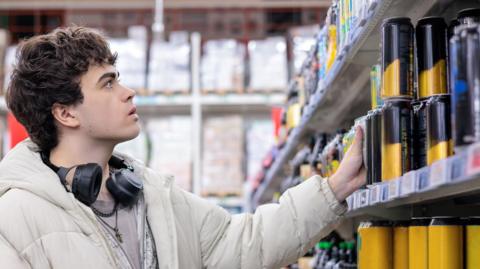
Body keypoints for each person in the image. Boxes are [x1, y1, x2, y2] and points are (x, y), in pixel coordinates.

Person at [0, 26, 366, 269]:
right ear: (66, 113)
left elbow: (242, 243)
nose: (127, 92)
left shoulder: (156, 195)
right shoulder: (13, 219)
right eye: (108, 83)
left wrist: (333, 190)